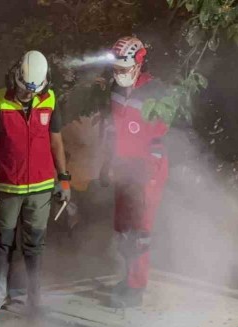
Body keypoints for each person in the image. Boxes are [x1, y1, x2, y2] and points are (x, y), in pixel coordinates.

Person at [0, 50, 70, 314]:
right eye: (23, 89)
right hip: (6, 186)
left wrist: (64, 178)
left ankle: (34, 297)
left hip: (41, 187)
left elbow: (56, 141)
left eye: (33, 91)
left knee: (35, 243)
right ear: (15, 77)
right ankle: (0, 293)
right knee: (3, 241)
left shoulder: (50, 99)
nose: (28, 95)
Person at [99, 36, 173, 307]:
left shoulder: (156, 92)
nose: (119, 74)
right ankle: (128, 277)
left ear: (139, 64)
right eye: (115, 69)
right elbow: (111, 130)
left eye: (124, 69)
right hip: (122, 167)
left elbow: (160, 138)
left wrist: (149, 175)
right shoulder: (116, 90)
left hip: (147, 170)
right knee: (123, 228)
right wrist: (107, 164)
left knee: (141, 232)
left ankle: (136, 287)